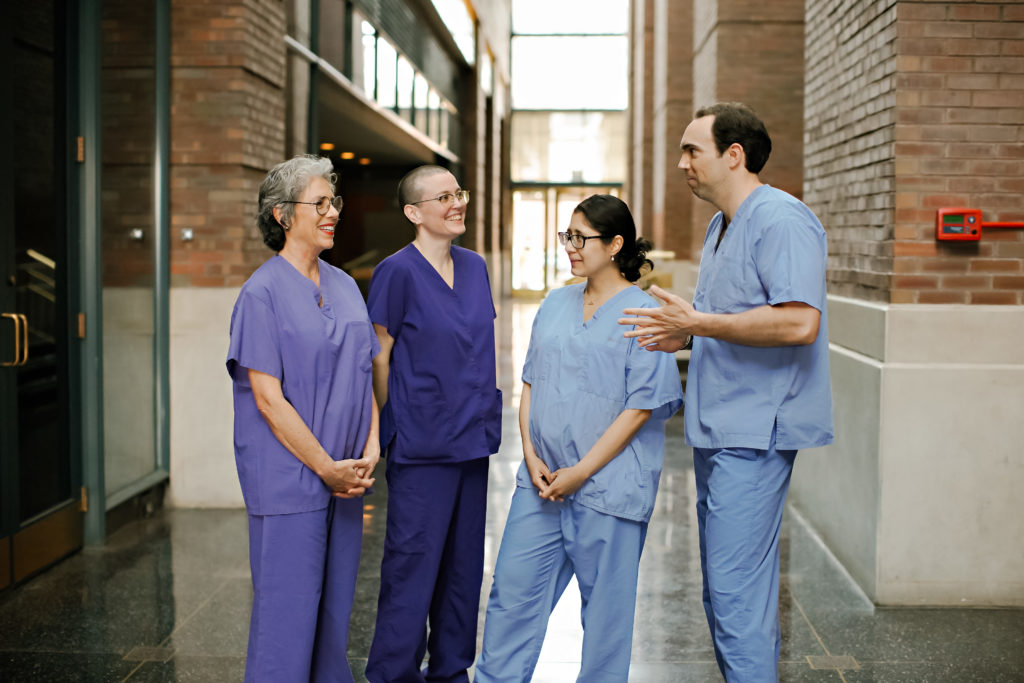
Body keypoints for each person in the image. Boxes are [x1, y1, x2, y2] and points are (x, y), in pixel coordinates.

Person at [619, 102, 834, 682]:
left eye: (693, 150)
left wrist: (698, 326)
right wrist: (681, 338)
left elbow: (797, 324)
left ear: (733, 155)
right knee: (725, 592)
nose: (682, 163)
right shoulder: (720, 226)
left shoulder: (783, 221)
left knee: (737, 596)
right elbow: (728, 319)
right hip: (720, 429)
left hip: (755, 433)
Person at [474, 195, 683, 682]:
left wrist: (582, 472)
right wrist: (529, 454)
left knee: (606, 623)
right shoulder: (555, 303)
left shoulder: (645, 313)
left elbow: (641, 407)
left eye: (580, 237)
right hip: (542, 485)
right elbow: (530, 383)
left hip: (608, 490)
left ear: (615, 244)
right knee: (512, 601)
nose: (569, 246)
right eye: (567, 236)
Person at [226, 155, 381, 682]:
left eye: (332, 202)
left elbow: (364, 370)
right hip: (291, 482)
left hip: (344, 482)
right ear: (282, 216)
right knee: (286, 624)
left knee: (333, 622)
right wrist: (326, 467)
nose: (332, 211)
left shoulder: (343, 284)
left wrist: (371, 446)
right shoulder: (261, 294)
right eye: (319, 203)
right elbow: (267, 399)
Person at [365, 165, 502, 683]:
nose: (456, 203)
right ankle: (394, 674)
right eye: (443, 197)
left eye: (458, 193)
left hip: (471, 441)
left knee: (463, 571)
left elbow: (473, 347)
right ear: (414, 213)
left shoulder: (475, 267)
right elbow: (382, 355)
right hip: (421, 446)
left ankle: (451, 672)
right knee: (411, 569)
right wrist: (390, 424)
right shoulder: (396, 272)